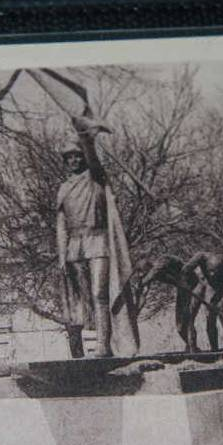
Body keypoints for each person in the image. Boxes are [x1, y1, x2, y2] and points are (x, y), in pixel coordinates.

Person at [56, 117, 139, 358]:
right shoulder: (63, 189)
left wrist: (86, 137)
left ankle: (104, 346)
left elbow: (93, 159)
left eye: (77, 155)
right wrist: (61, 254)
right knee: (82, 301)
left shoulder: (95, 179)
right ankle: (85, 346)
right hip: (74, 247)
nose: (74, 160)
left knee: (99, 294)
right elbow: (61, 224)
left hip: (98, 241)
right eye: (69, 157)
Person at [129, 255, 199, 353]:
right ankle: (190, 346)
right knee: (180, 326)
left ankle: (193, 348)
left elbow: (154, 272)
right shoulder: (150, 275)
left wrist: (141, 284)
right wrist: (135, 313)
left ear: (148, 267)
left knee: (186, 320)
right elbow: (143, 296)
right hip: (183, 289)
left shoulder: (162, 260)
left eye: (142, 272)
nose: (141, 275)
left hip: (193, 287)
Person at [182, 251, 223, 351]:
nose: (212, 273)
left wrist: (222, 302)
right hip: (207, 286)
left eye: (214, 271)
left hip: (220, 289)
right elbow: (186, 269)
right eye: (210, 271)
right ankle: (212, 349)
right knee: (207, 319)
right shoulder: (201, 256)